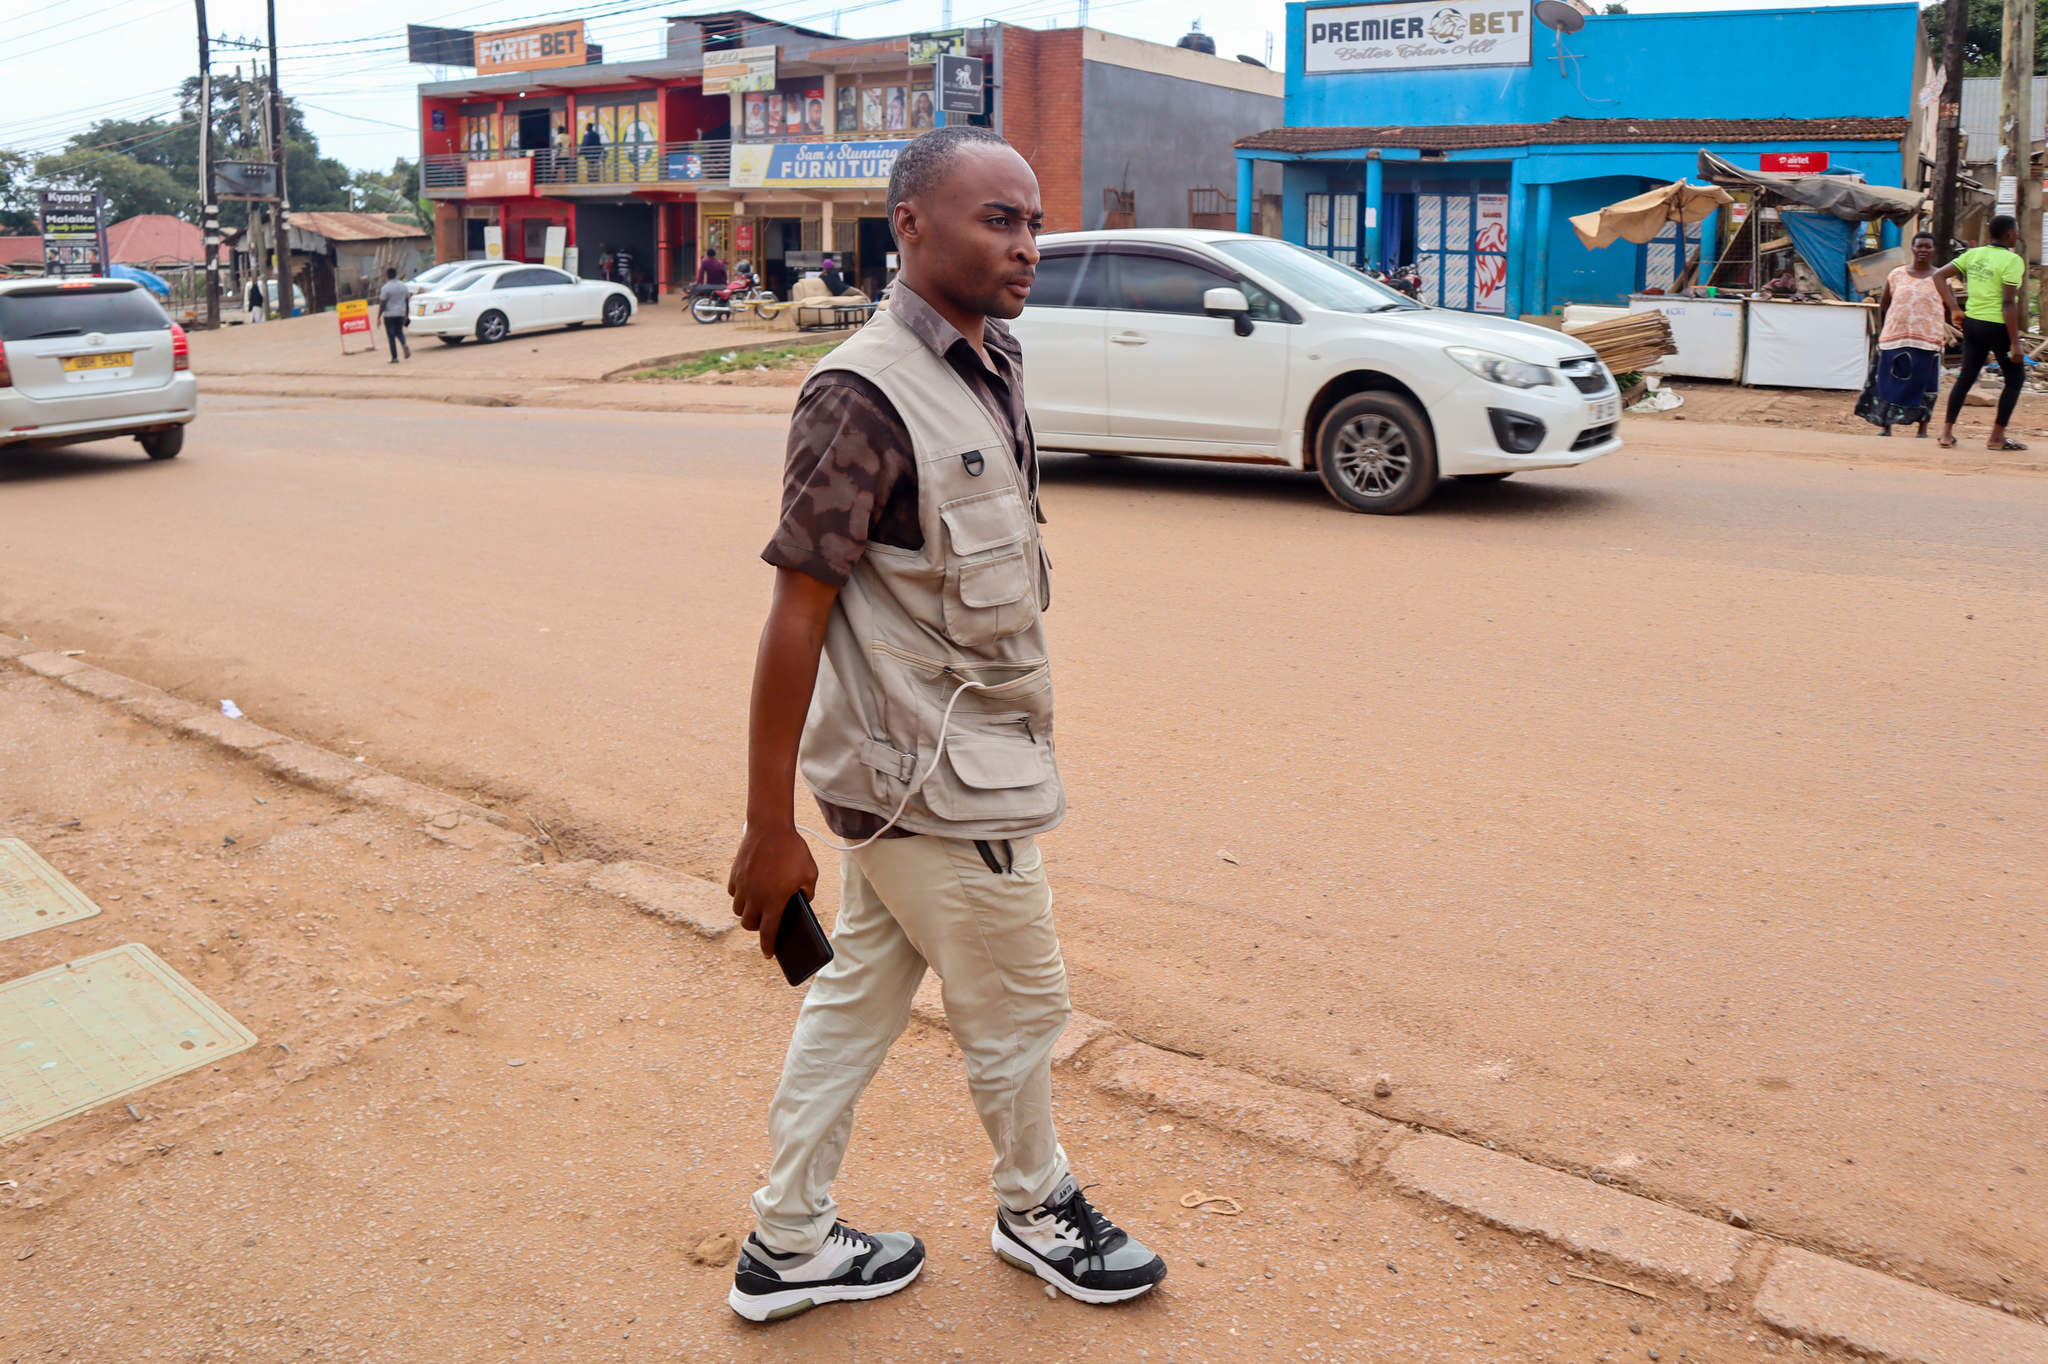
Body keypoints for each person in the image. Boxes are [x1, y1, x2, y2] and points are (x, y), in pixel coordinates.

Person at [725, 124, 1166, 1324]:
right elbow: (796, 612)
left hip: (953, 752)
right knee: (1018, 1003)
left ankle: (787, 1239)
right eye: (997, 219)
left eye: (1033, 222)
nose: (1026, 245)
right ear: (909, 225)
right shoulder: (859, 395)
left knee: (858, 992)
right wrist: (768, 823)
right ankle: (1037, 1207)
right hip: (932, 777)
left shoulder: (991, 355)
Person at [1936, 214, 2029, 451]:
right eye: (2016, 231)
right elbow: (2008, 303)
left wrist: (1955, 309)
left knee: (1966, 377)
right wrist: (2015, 342)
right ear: (2009, 234)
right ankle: (1997, 437)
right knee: (2015, 379)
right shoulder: (2012, 260)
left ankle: (1946, 433)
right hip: (1997, 326)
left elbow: (1939, 276)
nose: (2017, 235)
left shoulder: (1973, 254)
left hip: (1973, 324)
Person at [1863, 232, 1954, 438]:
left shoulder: (1941, 278)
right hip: (1895, 338)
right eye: (1919, 246)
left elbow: (1950, 308)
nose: (1923, 250)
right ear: (1912, 249)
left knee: (1925, 385)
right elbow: (1885, 305)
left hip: (1927, 341)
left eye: (1928, 246)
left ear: (1934, 250)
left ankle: (1922, 429)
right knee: (1890, 382)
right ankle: (1886, 426)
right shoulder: (1896, 275)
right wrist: (1887, 328)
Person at [376, 267, 411, 363]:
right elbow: (407, 301)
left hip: (389, 315)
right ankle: (404, 344)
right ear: (396, 274)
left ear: (387, 275)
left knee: (391, 336)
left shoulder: (385, 288)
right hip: (400, 313)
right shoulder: (403, 286)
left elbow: (382, 303)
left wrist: (378, 317)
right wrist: (406, 314)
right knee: (399, 331)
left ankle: (394, 357)